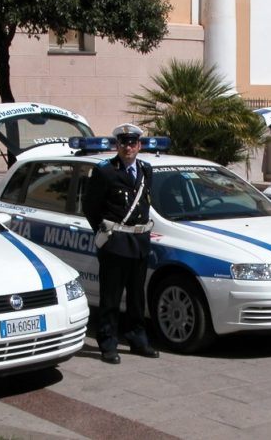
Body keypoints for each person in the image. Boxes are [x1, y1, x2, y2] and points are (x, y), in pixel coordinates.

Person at [83, 123, 159, 364]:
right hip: (115, 243)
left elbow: (144, 204)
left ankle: (137, 339)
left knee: (137, 297)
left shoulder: (146, 170)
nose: (128, 147)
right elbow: (90, 207)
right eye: (124, 143)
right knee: (111, 298)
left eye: (133, 143)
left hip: (139, 242)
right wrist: (105, 232)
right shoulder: (105, 172)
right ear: (117, 145)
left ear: (139, 145)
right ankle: (107, 342)